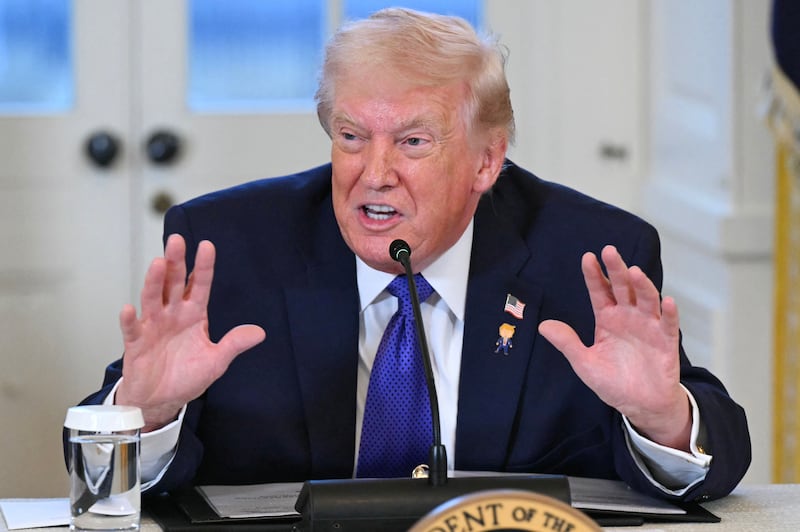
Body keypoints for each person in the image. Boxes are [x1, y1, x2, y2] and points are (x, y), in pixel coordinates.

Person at [73, 8, 750, 503]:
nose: (374, 174)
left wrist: (661, 419)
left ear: (487, 162)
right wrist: (145, 414)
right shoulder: (231, 250)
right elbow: (97, 482)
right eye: (351, 136)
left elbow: (721, 456)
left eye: (413, 142)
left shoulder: (586, 258)